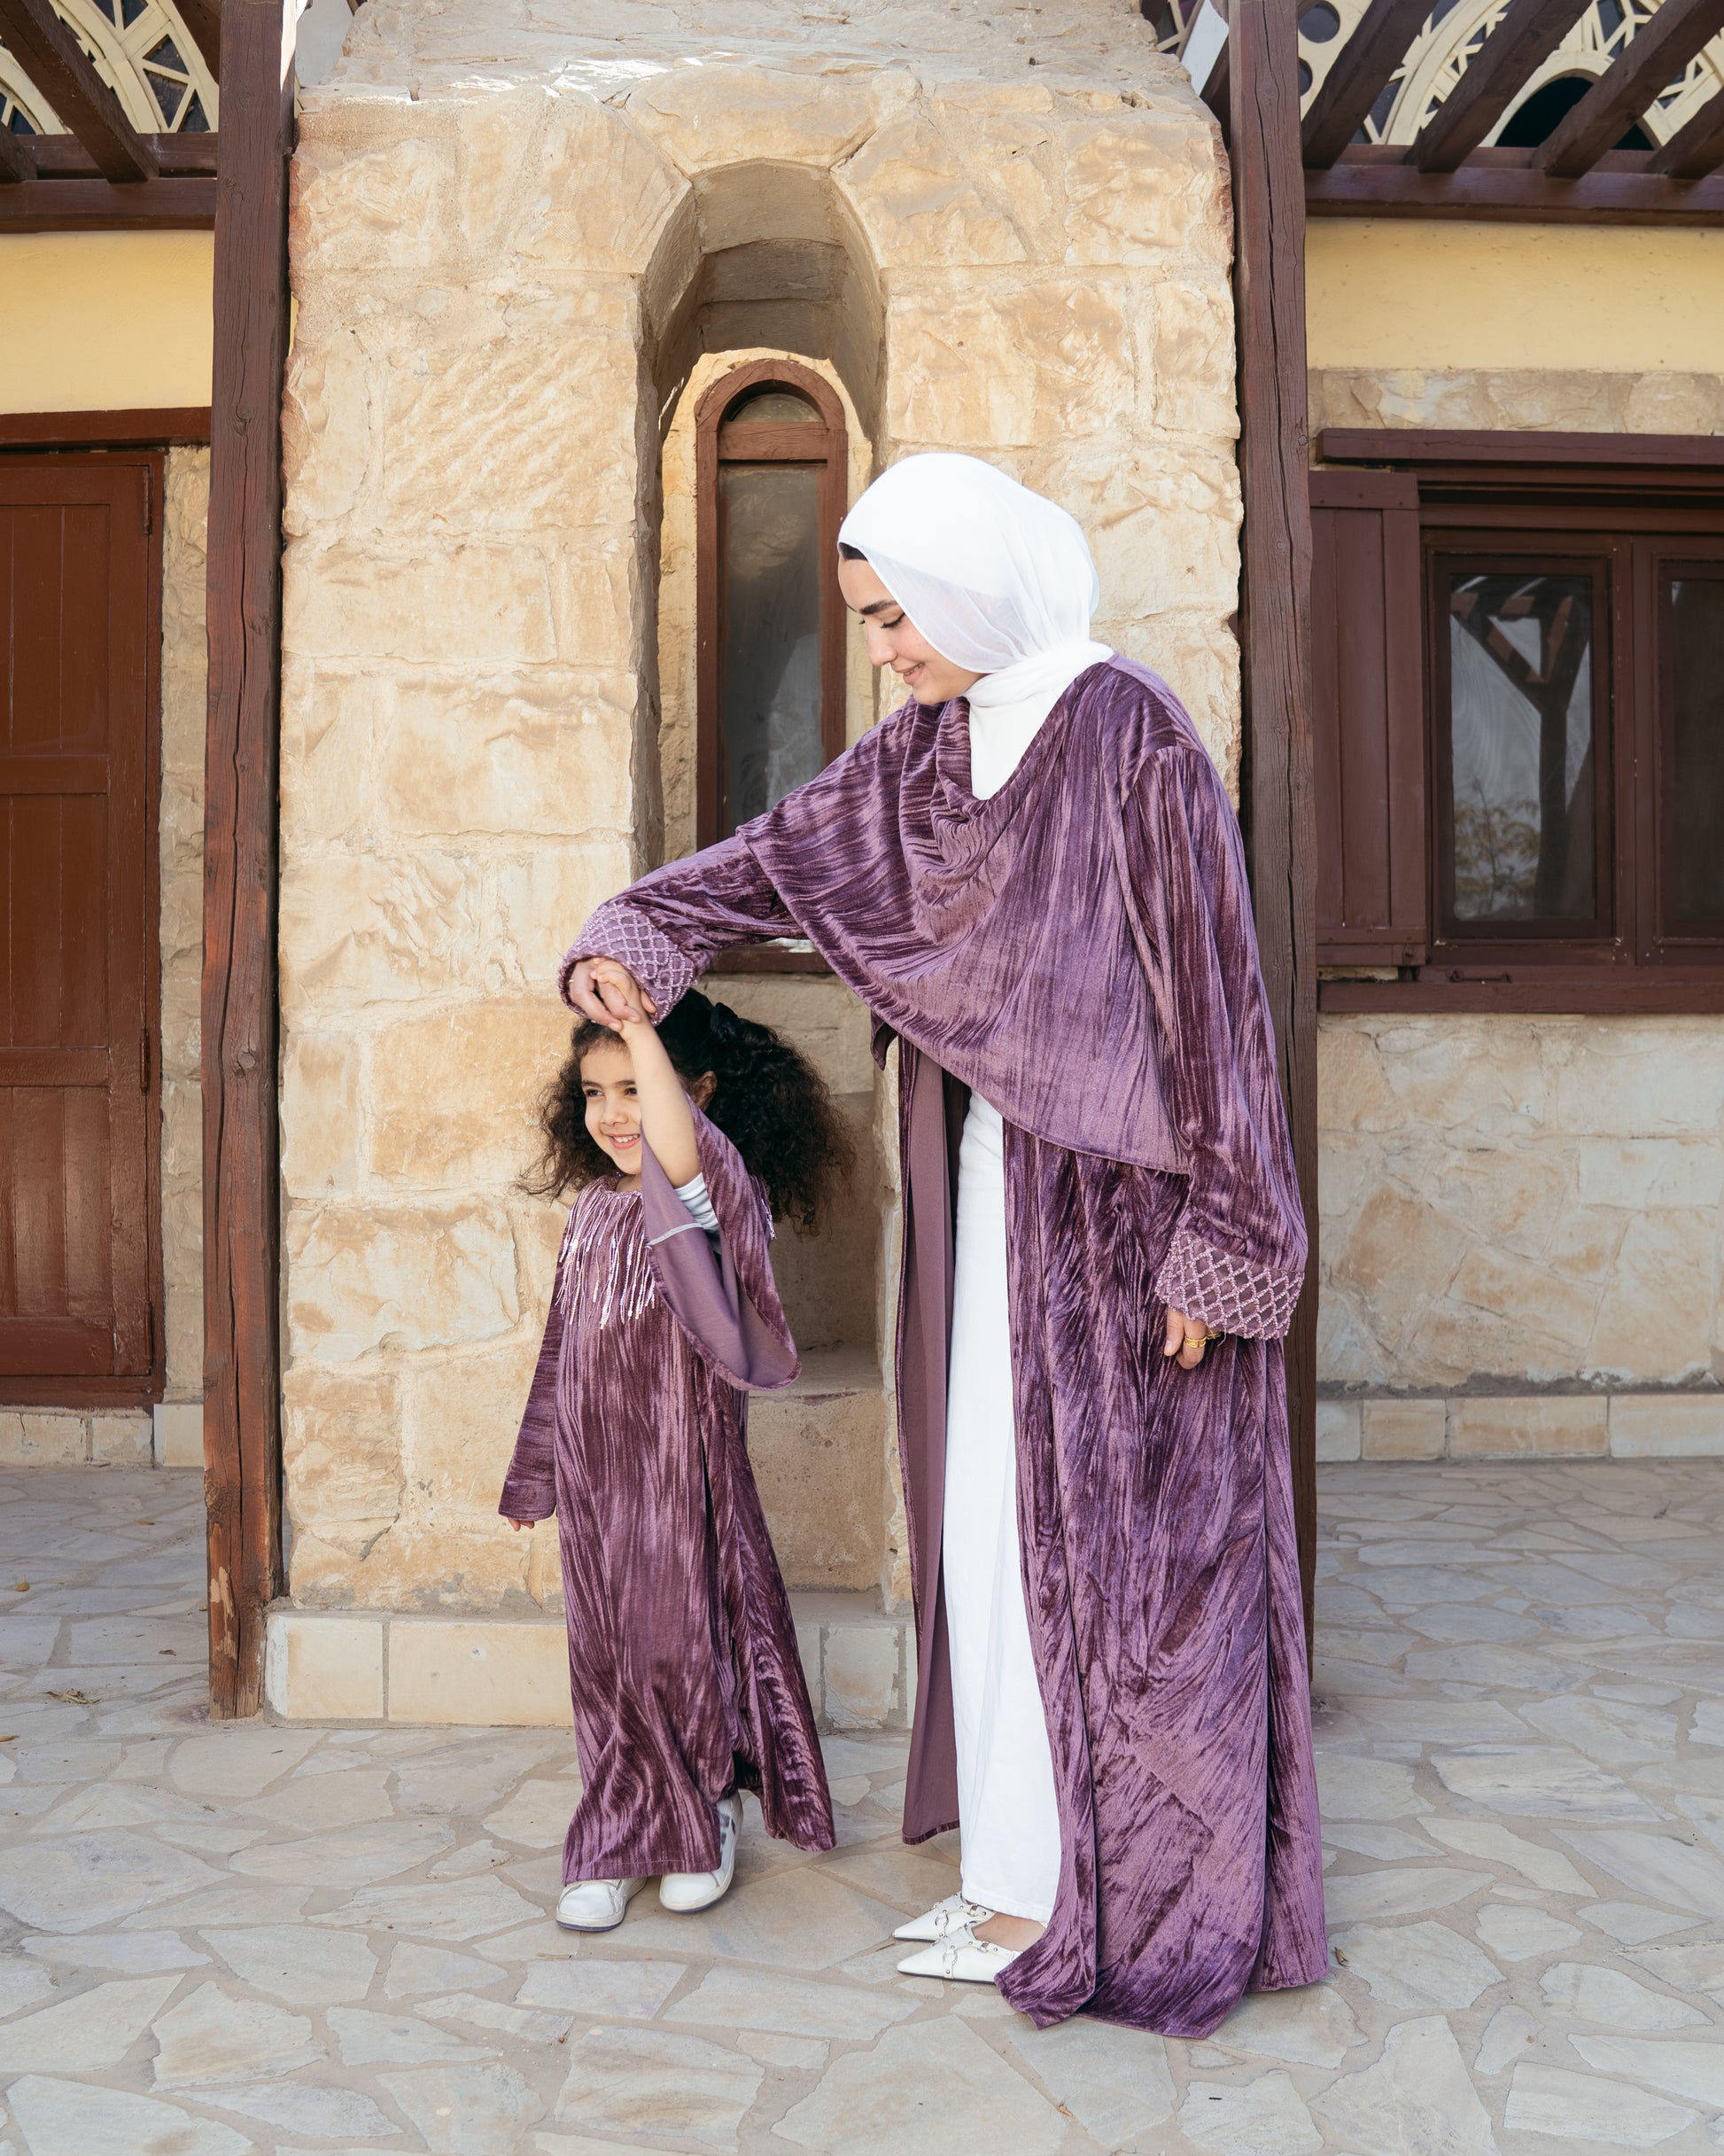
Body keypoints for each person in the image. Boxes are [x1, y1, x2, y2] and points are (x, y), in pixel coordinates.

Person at [561, 453, 1327, 2035]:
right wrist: (637, 933)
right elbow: (772, 859)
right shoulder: (925, 750)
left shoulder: (1133, 734)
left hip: (1122, 1227)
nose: (883, 649)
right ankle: (1014, 1872)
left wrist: (1227, 1234)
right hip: (981, 1199)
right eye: (866, 619)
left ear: (973, 591)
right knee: (988, 1530)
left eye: (896, 615)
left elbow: (1219, 1004)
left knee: (1130, 1575)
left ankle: (1117, 1895)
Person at [500, 991, 850, 1931]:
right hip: (595, 1482)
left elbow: (681, 1155)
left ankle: (702, 1815)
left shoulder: (703, 1201)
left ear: (696, 1093)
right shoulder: (590, 1210)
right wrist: (536, 1471)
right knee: (606, 1660)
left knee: (680, 1647)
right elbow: (559, 1349)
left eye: (634, 1089)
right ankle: (618, 1833)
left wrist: (637, 1020)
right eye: (593, 1092)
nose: (612, 1113)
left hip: (680, 1475)